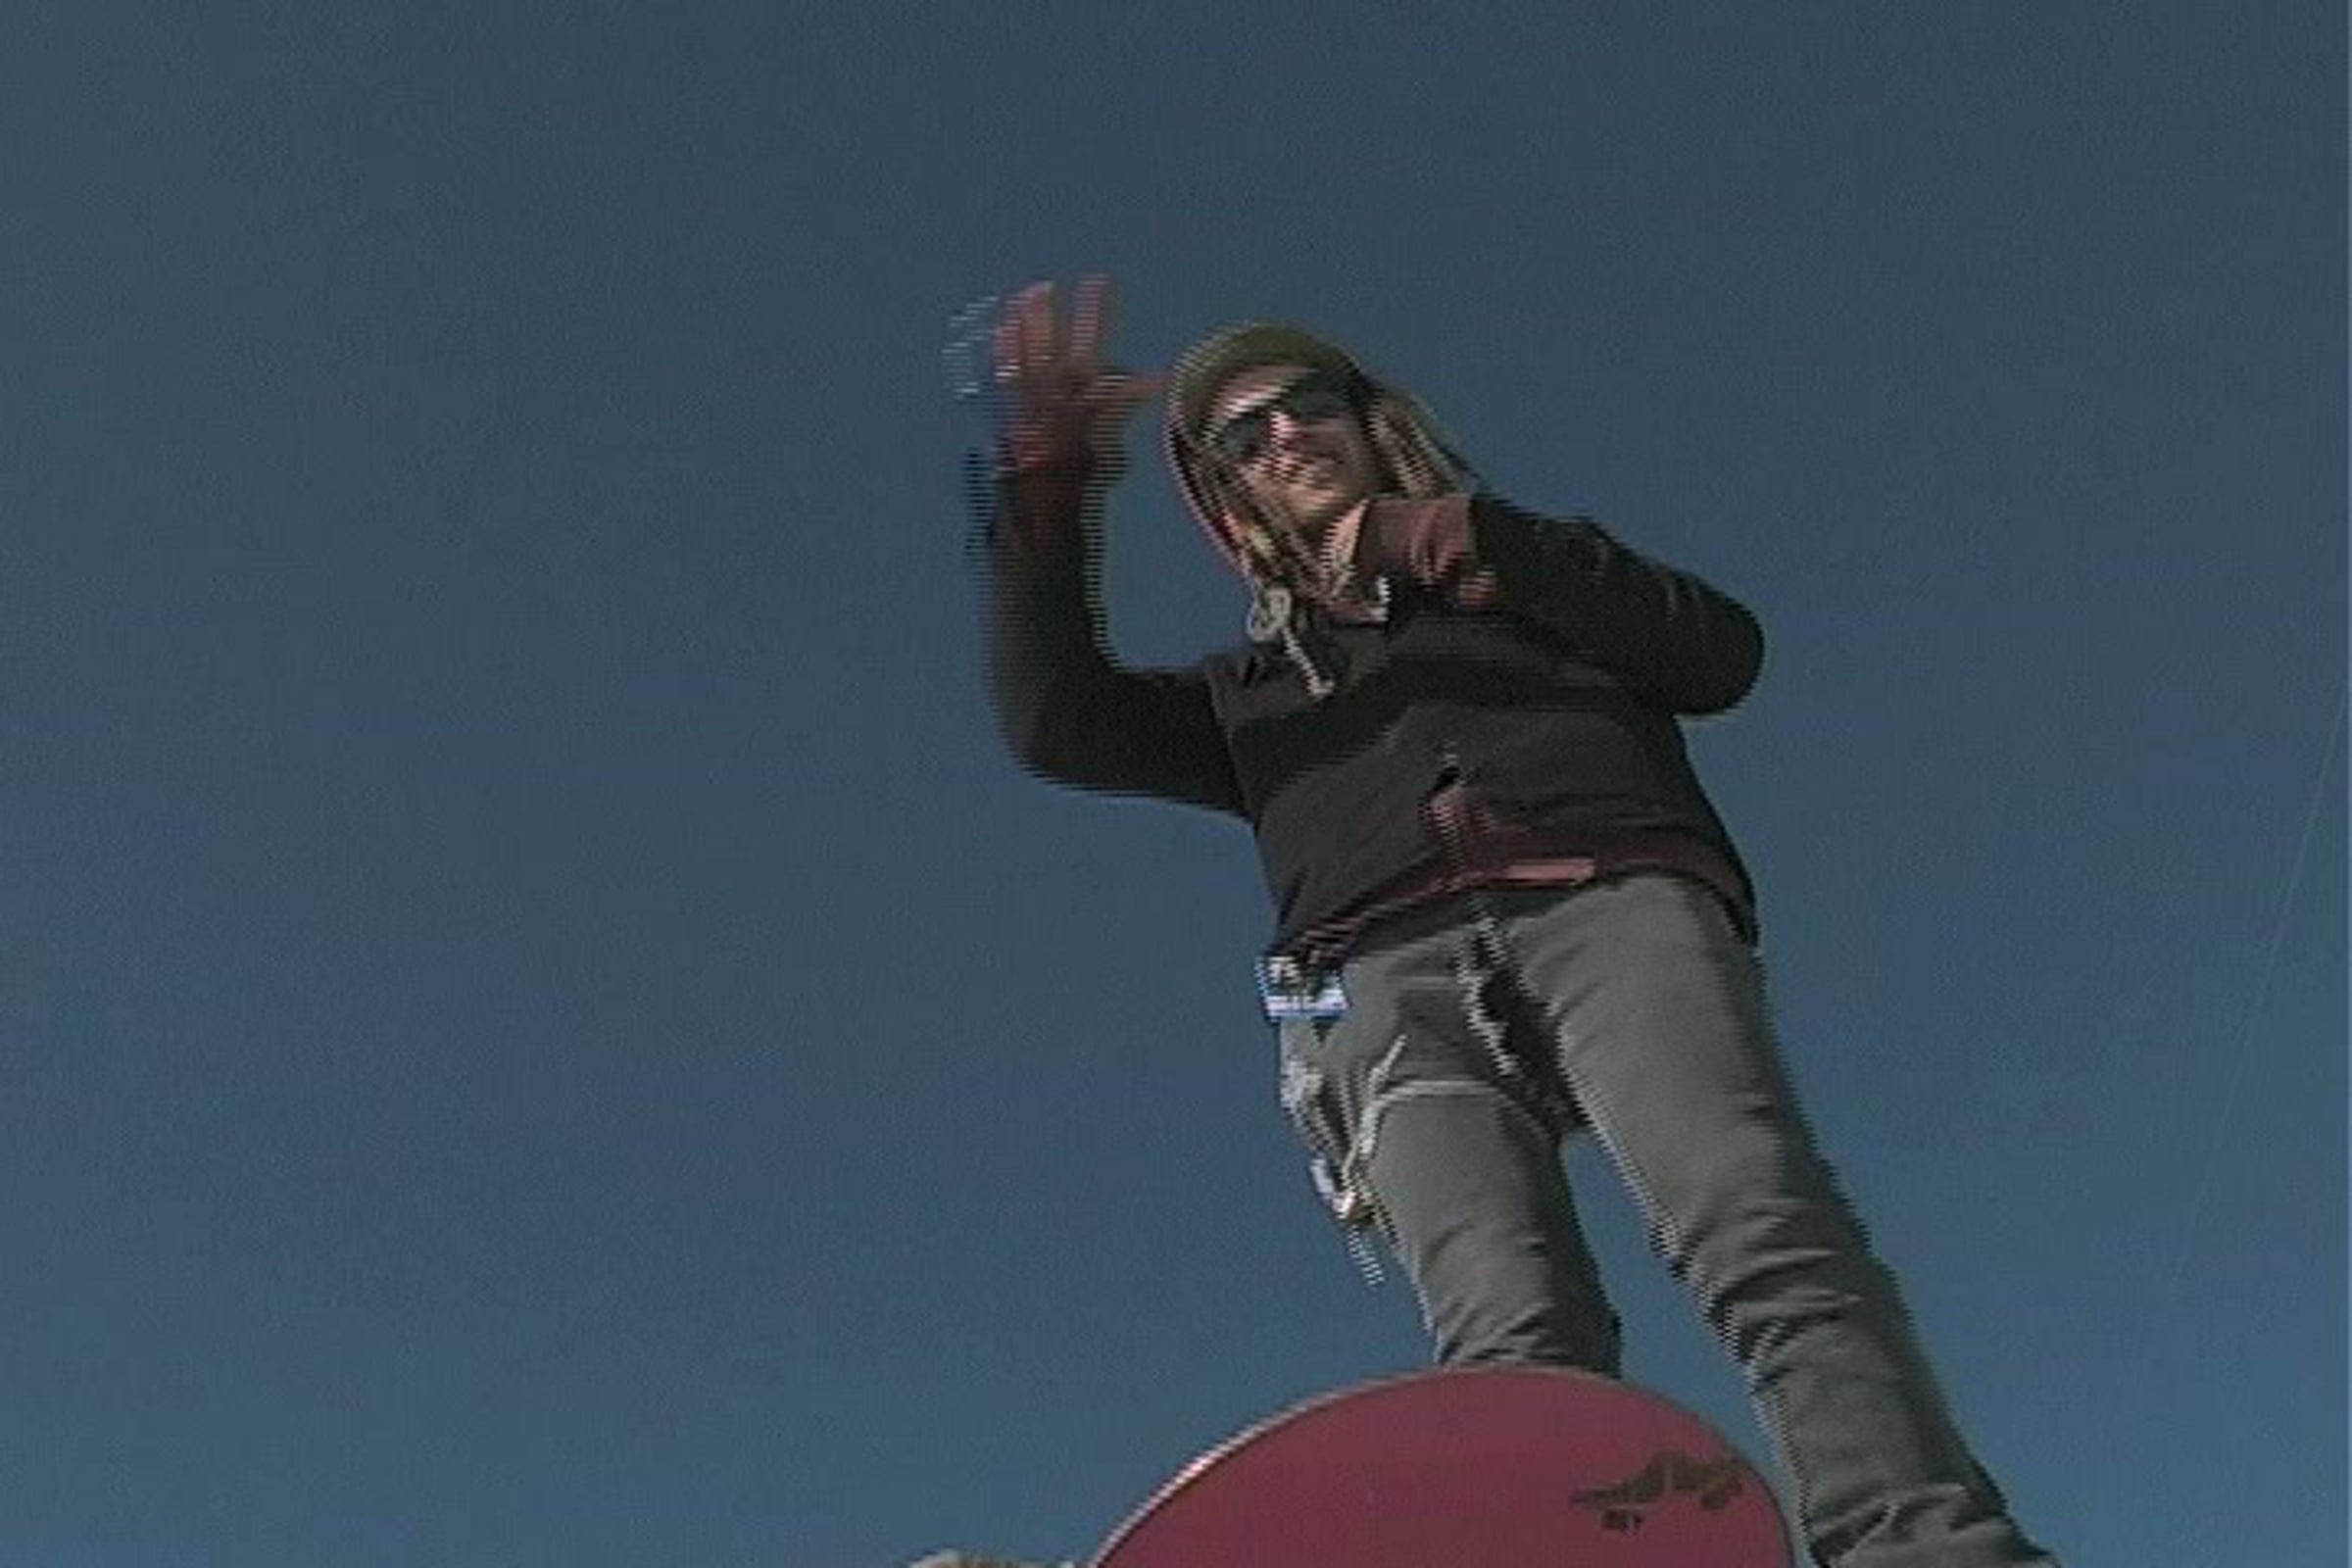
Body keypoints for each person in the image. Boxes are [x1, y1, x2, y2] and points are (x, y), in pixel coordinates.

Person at [948, 276, 2060, 1568]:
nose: (1285, 435)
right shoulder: (1249, 699)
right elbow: (1055, 721)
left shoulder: (1531, 582)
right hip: (1378, 981)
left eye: (1306, 404)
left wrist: (1450, 541)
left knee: (1759, 1225)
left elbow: (1720, 654)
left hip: (1607, 900)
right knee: (1507, 1348)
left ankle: (1918, 1542)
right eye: (1244, 437)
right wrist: (1050, 485)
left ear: (1371, 423)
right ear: (1231, 501)